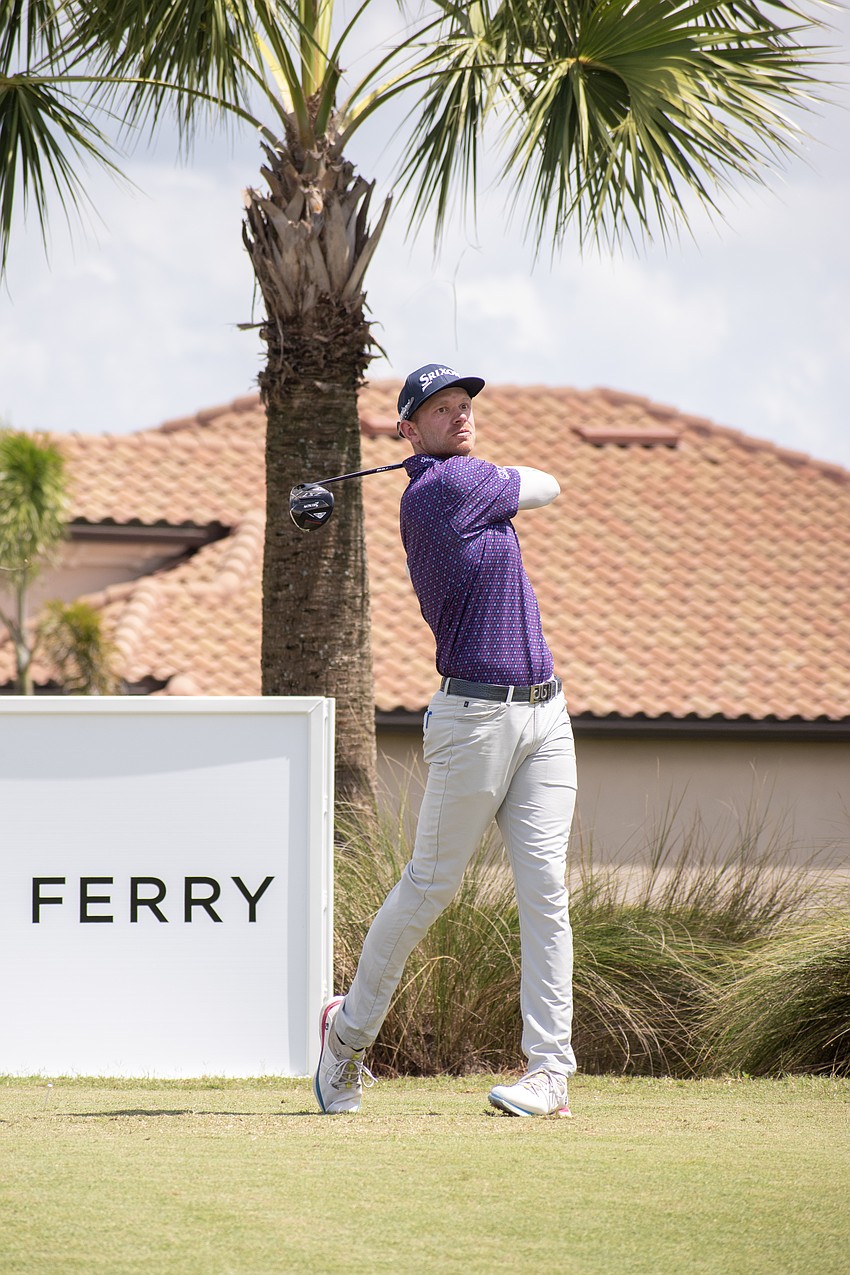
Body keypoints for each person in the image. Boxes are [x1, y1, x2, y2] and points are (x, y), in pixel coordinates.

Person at [314, 362, 578, 1117]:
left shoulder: (466, 481)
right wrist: (492, 474)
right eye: (440, 408)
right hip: (475, 721)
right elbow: (549, 483)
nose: (461, 416)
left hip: (545, 714)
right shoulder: (441, 489)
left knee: (545, 893)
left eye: (466, 405)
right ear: (407, 429)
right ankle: (345, 1040)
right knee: (430, 887)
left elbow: (534, 485)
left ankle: (549, 1073)